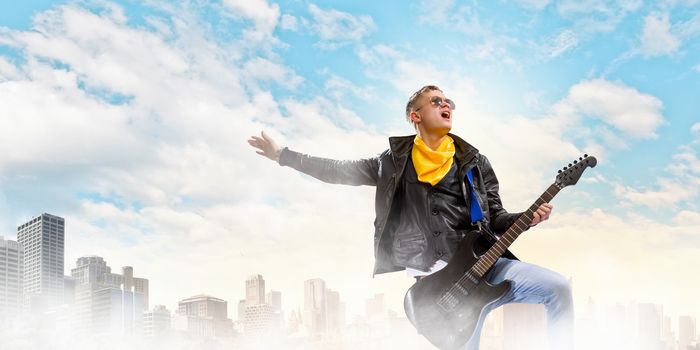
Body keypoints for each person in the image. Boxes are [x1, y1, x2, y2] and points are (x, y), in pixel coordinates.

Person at [248, 85, 573, 349]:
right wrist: (283, 155)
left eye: (449, 101)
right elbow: (337, 171)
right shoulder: (391, 164)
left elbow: (496, 217)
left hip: (487, 265)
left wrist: (527, 217)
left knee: (558, 288)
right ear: (414, 115)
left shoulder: (475, 162)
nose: (446, 104)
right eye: (436, 100)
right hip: (441, 286)